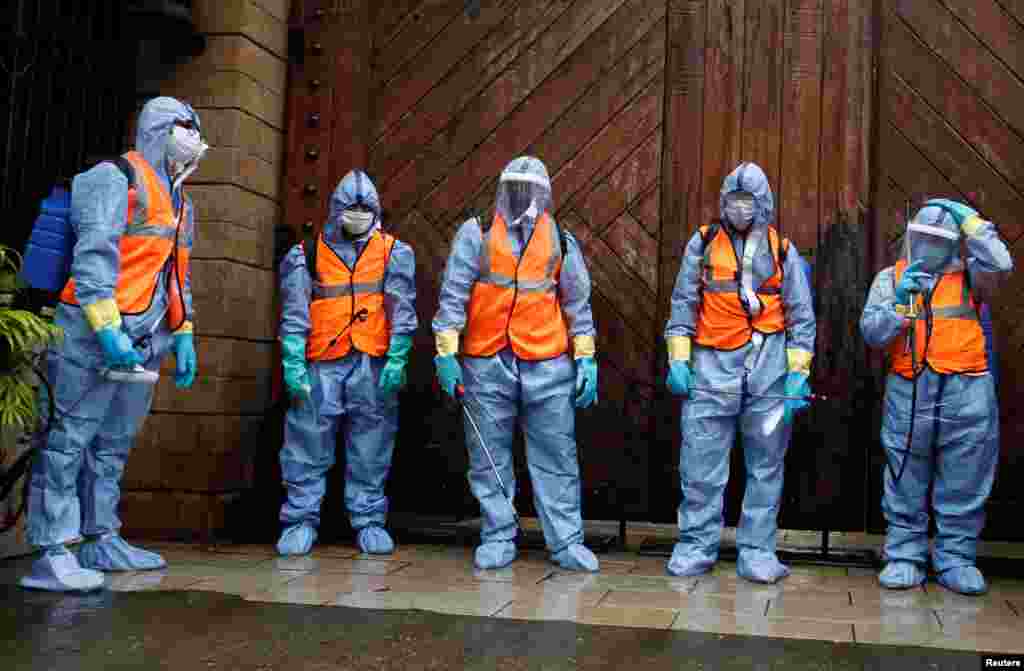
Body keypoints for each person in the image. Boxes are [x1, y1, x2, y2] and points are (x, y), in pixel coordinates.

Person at [21, 97, 204, 592]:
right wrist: (106, 328)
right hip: (90, 332)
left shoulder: (181, 197)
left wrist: (183, 333)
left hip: (147, 336)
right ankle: (52, 549)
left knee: (112, 445)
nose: (196, 137)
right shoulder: (113, 177)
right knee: (66, 440)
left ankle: (101, 535)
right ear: (160, 128)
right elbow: (94, 255)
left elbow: (177, 273)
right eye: (189, 127)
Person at [432, 156, 600, 572]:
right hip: (487, 359)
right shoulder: (477, 233)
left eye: (531, 188)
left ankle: (565, 542)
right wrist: (446, 354)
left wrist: (586, 359)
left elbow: (578, 304)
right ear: (503, 188)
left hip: (546, 362)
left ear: (545, 192)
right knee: (488, 454)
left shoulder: (561, 239)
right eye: (516, 186)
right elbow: (453, 296)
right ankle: (497, 534)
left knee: (556, 454)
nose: (523, 196)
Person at [663, 162, 816, 584]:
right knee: (700, 464)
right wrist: (678, 359)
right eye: (735, 200)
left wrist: (798, 373)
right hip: (711, 369)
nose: (741, 208)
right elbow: (683, 305)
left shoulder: (783, 251)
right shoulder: (703, 243)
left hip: (767, 371)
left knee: (767, 466)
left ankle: (758, 550)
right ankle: (695, 545)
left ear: (763, 204)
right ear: (723, 201)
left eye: (749, 201)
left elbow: (801, 318)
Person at [860, 199, 1012, 595]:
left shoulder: (974, 277)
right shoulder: (893, 278)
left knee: (965, 478)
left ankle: (956, 558)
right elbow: (873, 334)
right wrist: (899, 306)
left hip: (967, 392)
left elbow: (1002, 262)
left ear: (954, 242)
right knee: (905, 475)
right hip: (911, 391)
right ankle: (905, 555)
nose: (927, 245)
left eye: (937, 239)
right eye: (922, 237)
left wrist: (974, 222)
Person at [276, 170, 416, 557]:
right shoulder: (306, 253)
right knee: (306, 442)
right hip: (321, 362)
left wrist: (398, 357)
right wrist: (292, 362)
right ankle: (300, 519)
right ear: (336, 209)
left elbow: (402, 308)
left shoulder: (393, 252)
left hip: (372, 363)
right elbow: (294, 312)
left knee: (371, 445)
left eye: (364, 207)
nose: (357, 213)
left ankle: (369, 520)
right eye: (351, 207)